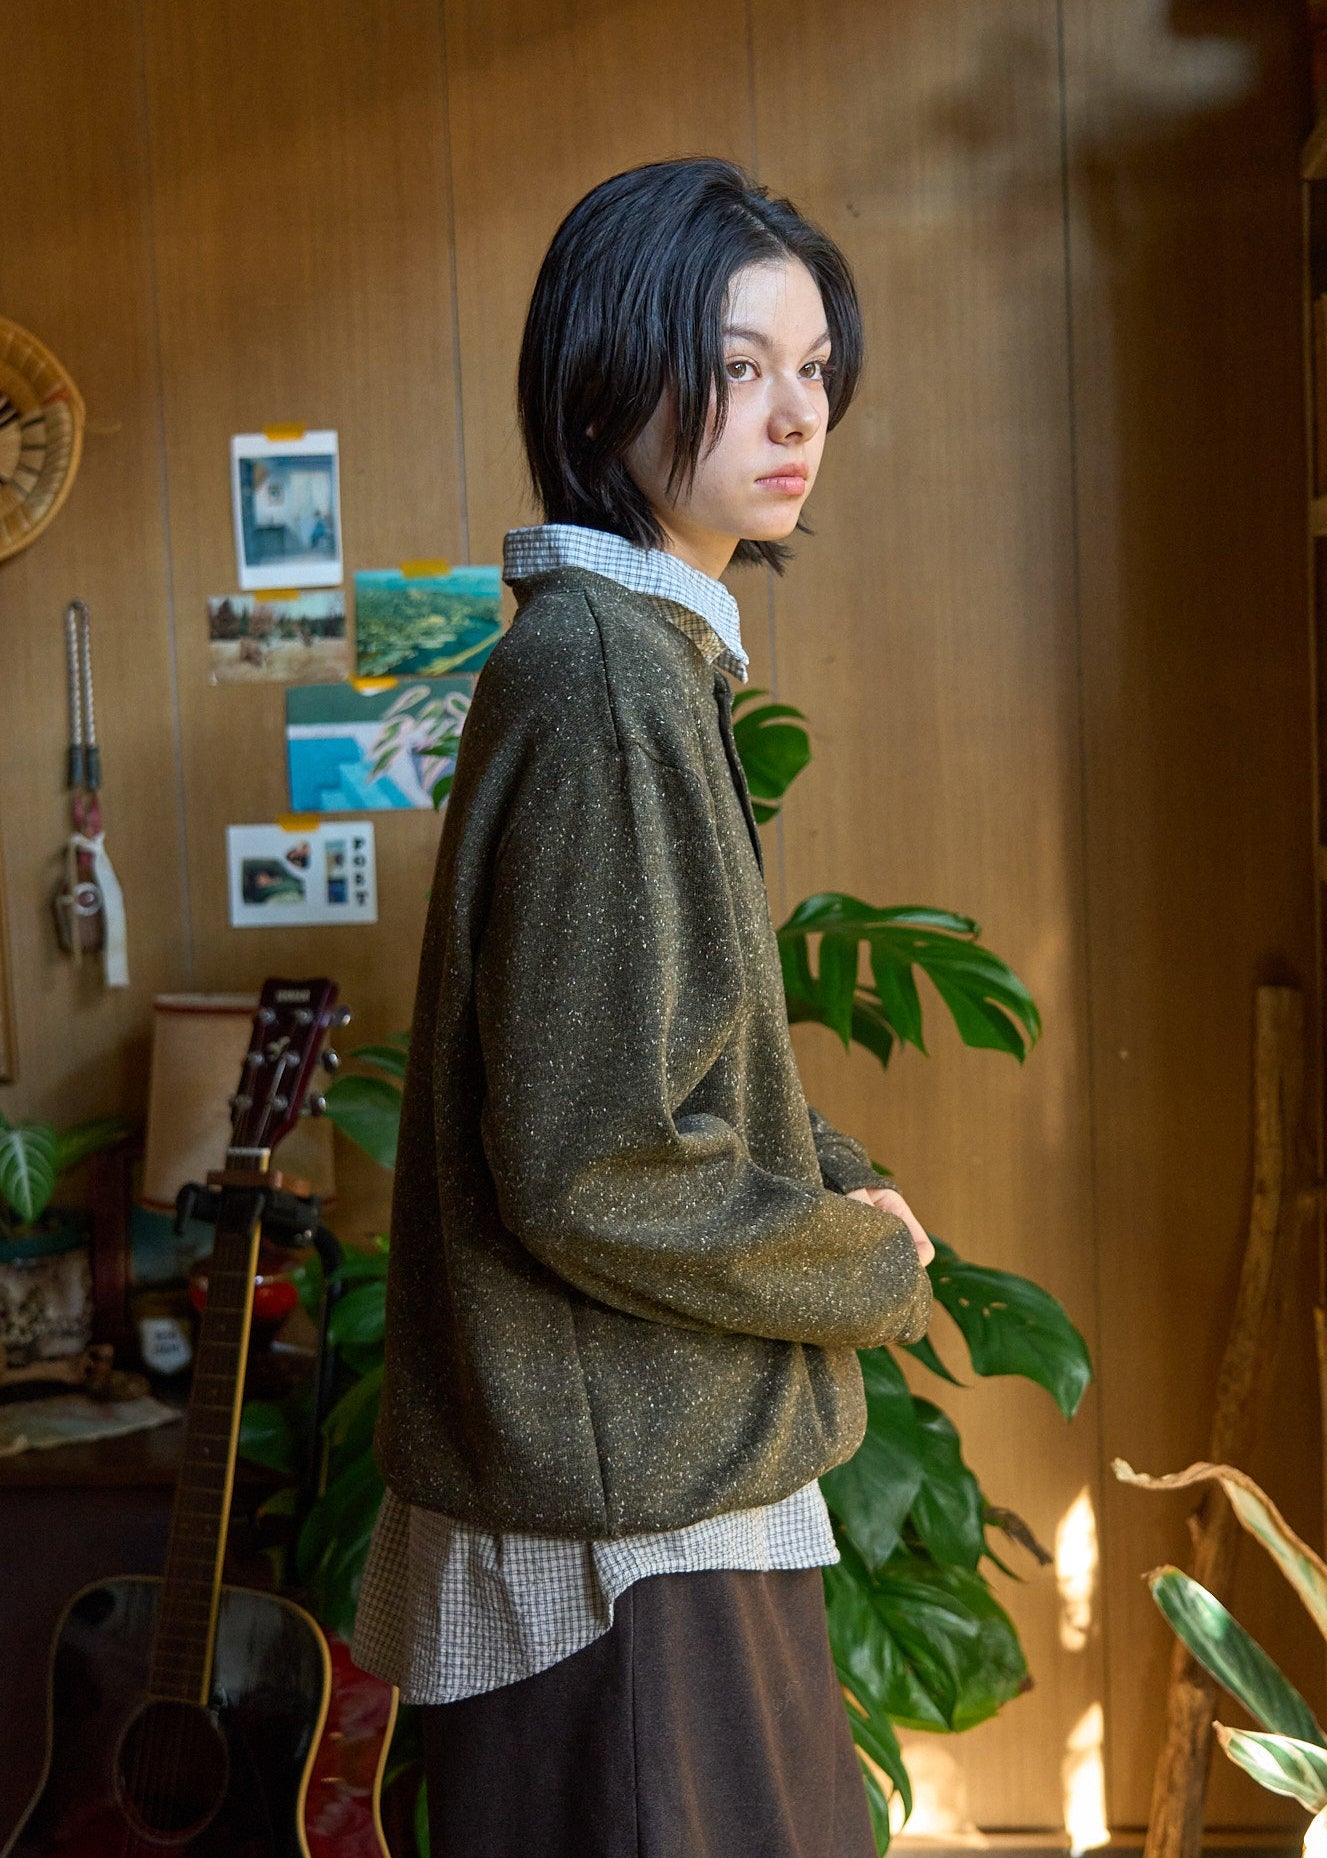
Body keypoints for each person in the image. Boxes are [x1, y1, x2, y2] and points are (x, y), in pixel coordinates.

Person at [351, 156, 936, 1858]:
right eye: (737, 365)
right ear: (608, 382)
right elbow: (595, 1159)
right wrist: (864, 1263)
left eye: (811, 366)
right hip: (629, 1525)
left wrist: (836, 1177)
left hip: (640, 1483)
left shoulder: (626, 652)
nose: (796, 412)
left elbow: (678, 1052)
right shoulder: (608, 676)